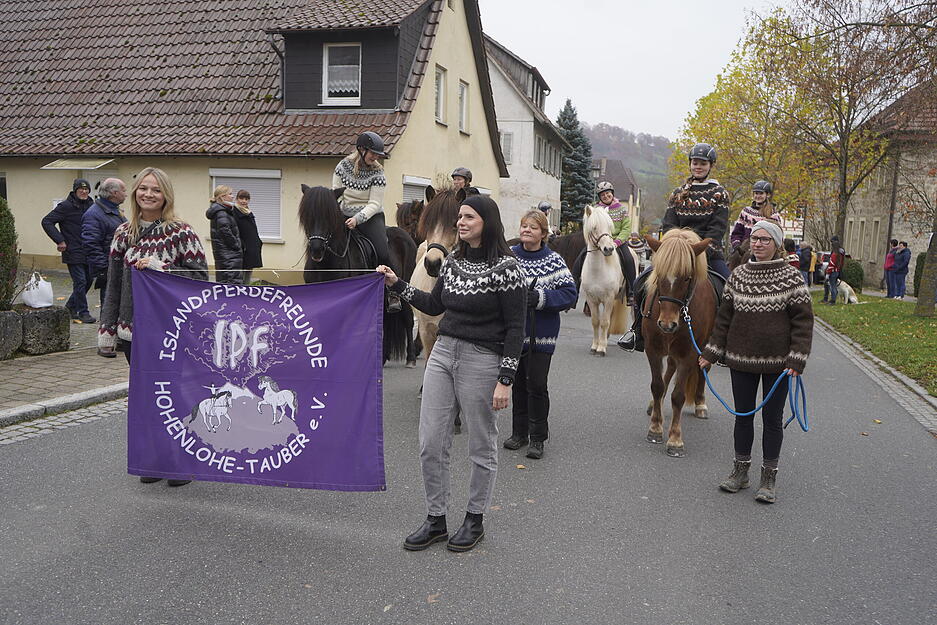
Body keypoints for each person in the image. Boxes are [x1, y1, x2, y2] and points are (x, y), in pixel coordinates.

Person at [376, 194, 526, 553]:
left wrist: (505, 379)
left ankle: (475, 518)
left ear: (486, 222)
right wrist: (397, 283)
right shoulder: (453, 260)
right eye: (460, 216)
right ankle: (436, 519)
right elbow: (433, 304)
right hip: (442, 354)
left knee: (480, 444)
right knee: (430, 441)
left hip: (482, 359)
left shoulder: (508, 268)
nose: (461, 222)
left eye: (469, 217)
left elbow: (516, 328)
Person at [97, 167, 209, 486]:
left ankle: (180, 460)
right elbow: (114, 285)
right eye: (143, 188)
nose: (148, 194)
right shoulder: (123, 233)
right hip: (133, 331)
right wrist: (107, 330)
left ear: (166, 196)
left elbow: (201, 281)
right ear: (134, 193)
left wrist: (162, 268)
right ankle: (154, 460)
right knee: (147, 397)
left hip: (172, 333)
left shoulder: (181, 232)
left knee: (174, 396)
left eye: (156, 190)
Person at [698, 220, 813, 504]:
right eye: (755, 239)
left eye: (765, 239)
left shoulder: (792, 277)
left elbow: (803, 322)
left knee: (772, 420)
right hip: (741, 360)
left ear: (776, 245)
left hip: (779, 364)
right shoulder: (737, 276)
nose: (758, 244)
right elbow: (724, 320)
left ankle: (768, 478)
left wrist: (797, 359)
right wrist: (711, 353)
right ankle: (740, 472)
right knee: (743, 416)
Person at [619, 143, 730, 352]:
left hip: (706, 252)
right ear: (690, 164)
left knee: (731, 290)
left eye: (703, 163)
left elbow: (717, 228)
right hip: (675, 253)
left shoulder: (719, 193)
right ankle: (637, 331)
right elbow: (669, 224)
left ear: (710, 166)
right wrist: (676, 247)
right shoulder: (678, 193)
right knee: (640, 283)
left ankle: (724, 341)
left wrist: (695, 249)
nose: (698, 167)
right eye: (695, 163)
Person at [504, 210, 578, 460]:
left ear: (543, 234)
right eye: (524, 226)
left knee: (536, 383)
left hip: (542, 335)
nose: (526, 230)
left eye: (533, 228)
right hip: (513, 334)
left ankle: (538, 437)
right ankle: (519, 433)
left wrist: (542, 298)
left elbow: (570, 294)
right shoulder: (510, 257)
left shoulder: (554, 260)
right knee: (517, 385)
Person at [333, 132, 400, 311]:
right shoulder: (342, 167)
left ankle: (392, 293)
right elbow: (336, 193)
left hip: (370, 217)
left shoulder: (378, 172)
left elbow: (375, 203)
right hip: (343, 214)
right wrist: (339, 215)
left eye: (378, 154)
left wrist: (357, 219)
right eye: (373, 153)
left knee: (383, 251)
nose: (376, 157)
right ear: (361, 150)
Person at [571, 181, 637, 306]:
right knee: (579, 260)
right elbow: (591, 227)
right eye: (603, 195)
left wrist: (617, 242)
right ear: (600, 197)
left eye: (608, 194)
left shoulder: (622, 209)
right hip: (600, 242)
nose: (606, 196)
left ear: (612, 194)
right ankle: (574, 293)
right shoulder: (595, 210)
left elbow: (626, 228)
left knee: (628, 259)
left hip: (618, 241)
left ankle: (631, 292)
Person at [41, 178, 95, 323]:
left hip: (88, 250)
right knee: (80, 281)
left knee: (89, 280)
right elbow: (47, 221)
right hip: (72, 250)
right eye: (80, 189)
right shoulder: (65, 206)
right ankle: (83, 312)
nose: (84, 191)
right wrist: (59, 240)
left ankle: (70, 307)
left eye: (86, 189)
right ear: (75, 190)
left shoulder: (92, 205)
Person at [81, 178, 128, 329]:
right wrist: (104, 270)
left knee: (120, 305)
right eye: (124, 191)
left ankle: (118, 337)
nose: (126, 195)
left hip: (120, 267)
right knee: (110, 306)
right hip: (108, 269)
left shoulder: (114, 211)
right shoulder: (94, 214)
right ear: (114, 193)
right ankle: (107, 339)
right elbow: (91, 244)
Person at [729, 180, 781, 252]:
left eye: (761, 193)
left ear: (767, 195)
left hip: (764, 250)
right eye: (756, 193)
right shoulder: (746, 212)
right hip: (744, 250)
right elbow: (737, 233)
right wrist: (737, 245)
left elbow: (777, 236)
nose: (758, 196)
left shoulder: (773, 214)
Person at [206, 185, 243, 284]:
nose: (232, 196)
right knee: (230, 284)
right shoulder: (221, 212)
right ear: (222, 197)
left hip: (226, 255)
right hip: (228, 256)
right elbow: (225, 231)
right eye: (230, 194)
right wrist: (236, 245)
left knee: (226, 282)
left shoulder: (222, 211)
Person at [233, 190, 264, 284]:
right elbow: (235, 231)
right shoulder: (234, 212)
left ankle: (246, 289)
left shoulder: (248, 212)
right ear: (237, 199)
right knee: (240, 274)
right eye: (241, 198)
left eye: (246, 199)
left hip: (251, 248)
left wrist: (258, 242)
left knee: (249, 272)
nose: (244, 201)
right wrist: (242, 244)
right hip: (242, 248)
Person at [822, 235, 846, 304]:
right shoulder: (839, 251)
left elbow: (832, 263)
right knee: (830, 285)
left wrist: (828, 272)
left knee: (832, 285)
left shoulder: (837, 253)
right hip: (836, 270)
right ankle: (828, 298)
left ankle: (832, 300)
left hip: (833, 271)